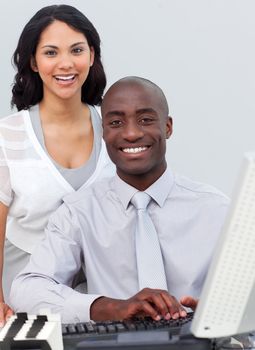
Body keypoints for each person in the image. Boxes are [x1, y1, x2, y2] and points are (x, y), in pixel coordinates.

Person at [10, 76, 229, 323]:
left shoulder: (217, 210)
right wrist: (108, 307)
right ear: (104, 133)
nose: (132, 133)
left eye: (145, 120)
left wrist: (224, 311)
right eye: (116, 122)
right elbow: (27, 290)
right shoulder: (79, 212)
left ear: (167, 127)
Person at [0, 4, 115, 325]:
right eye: (51, 52)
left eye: (76, 50)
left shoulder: (114, 125)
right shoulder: (8, 135)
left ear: (92, 55)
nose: (65, 63)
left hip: (101, 298)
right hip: (23, 299)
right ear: (33, 62)